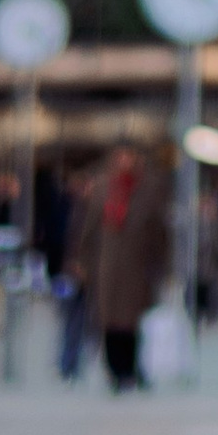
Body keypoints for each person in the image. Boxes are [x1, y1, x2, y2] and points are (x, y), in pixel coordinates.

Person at [67, 142, 174, 392]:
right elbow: (88, 228)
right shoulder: (103, 188)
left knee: (134, 321)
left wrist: (162, 265)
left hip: (137, 267)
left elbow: (158, 231)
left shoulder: (148, 189)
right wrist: (82, 261)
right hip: (107, 266)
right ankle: (114, 370)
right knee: (109, 319)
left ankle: (133, 369)